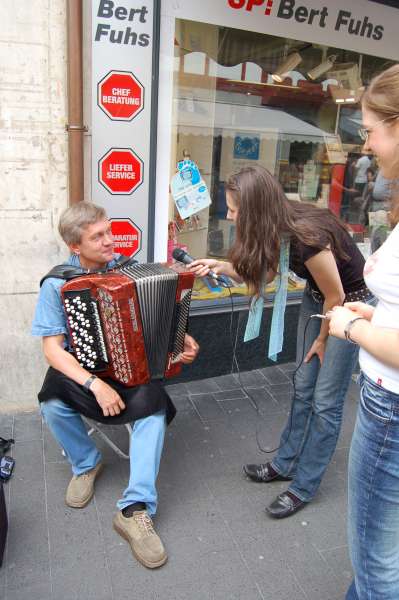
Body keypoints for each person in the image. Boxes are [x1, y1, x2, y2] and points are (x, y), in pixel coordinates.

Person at [190, 165, 372, 519]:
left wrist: (321, 341)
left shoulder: (309, 237)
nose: (228, 215)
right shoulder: (276, 226)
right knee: (303, 384)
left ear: (255, 210)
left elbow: (336, 296)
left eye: (234, 209)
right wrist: (220, 265)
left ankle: (304, 486)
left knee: (325, 401)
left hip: (350, 306)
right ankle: (286, 463)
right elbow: (269, 273)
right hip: (319, 299)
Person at [32, 201, 199, 569]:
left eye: (109, 230)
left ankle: (135, 508)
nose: (111, 240)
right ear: (75, 246)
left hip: (130, 369)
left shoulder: (126, 269)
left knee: (153, 411)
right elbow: (53, 351)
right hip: (82, 370)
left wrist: (179, 341)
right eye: (99, 236)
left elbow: (161, 312)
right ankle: (86, 463)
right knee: (51, 403)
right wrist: (94, 384)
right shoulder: (58, 283)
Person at [328, 64, 399, 600]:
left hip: (390, 409)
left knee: (375, 563)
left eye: (372, 129)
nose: (366, 143)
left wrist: (351, 325)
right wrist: (378, 316)